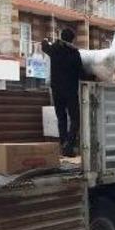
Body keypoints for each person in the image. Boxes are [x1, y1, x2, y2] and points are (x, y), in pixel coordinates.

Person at [42, 28, 83, 157]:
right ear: (72, 39)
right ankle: (69, 145)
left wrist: (45, 41)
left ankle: (63, 143)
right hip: (70, 91)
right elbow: (81, 73)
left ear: (61, 36)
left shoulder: (54, 49)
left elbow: (44, 47)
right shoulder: (75, 53)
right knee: (75, 119)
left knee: (61, 118)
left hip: (57, 91)